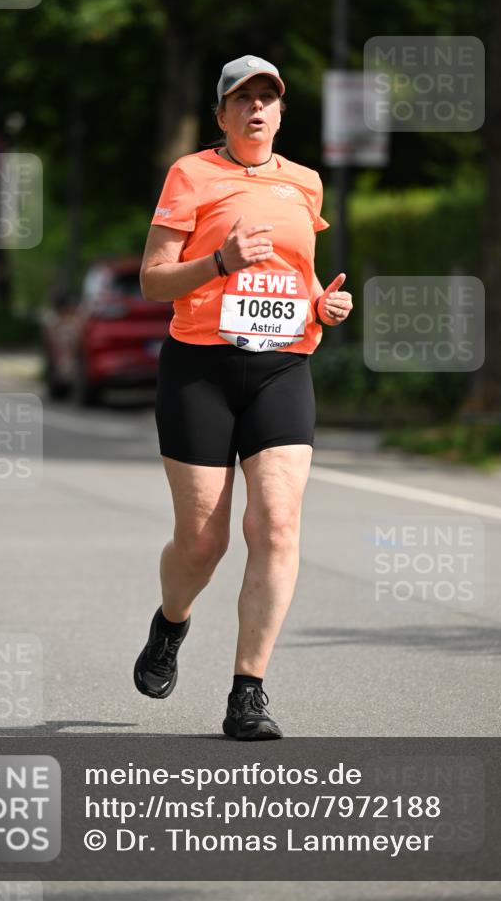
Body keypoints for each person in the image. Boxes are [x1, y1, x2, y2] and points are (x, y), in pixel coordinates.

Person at [134, 55, 353, 740]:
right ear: (221, 113)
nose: (257, 108)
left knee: (278, 524)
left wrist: (325, 304)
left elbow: (301, 273)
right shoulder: (191, 175)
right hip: (200, 367)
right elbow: (153, 281)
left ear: (281, 113)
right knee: (203, 543)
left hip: (282, 367)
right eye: (243, 99)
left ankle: (247, 692)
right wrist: (219, 262)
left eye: (269, 98)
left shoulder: (304, 184)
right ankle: (171, 623)